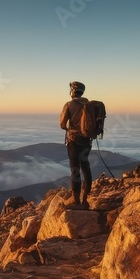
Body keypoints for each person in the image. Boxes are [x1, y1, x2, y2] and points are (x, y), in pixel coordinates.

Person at [59, 81, 92, 210]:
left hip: (74, 140)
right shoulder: (89, 105)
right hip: (87, 140)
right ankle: (86, 198)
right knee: (85, 165)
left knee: (75, 168)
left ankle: (76, 199)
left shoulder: (69, 105)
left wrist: (69, 128)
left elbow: (62, 124)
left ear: (72, 91)